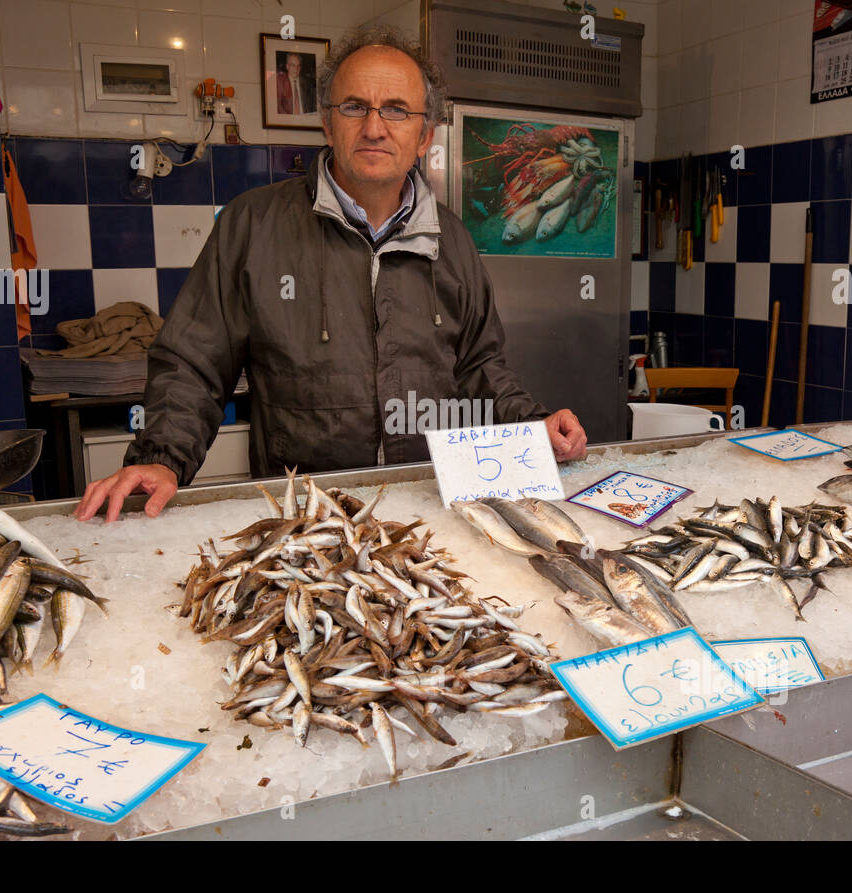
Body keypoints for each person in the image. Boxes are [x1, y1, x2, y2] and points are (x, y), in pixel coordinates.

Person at [76, 25, 587, 524]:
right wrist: (162, 457)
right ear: (327, 122)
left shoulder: (450, 238)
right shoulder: (252, 224)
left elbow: (480, 365)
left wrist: (528, 422)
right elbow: (194, 362)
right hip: (305, 518)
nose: (374, 127)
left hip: (431, 511)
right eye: (354, 107)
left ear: (424, 134)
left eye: (396, 110)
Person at [275, 51, 316, 115]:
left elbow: (313, 107)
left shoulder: (307, 83)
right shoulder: (280, 82)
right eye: (293, 65)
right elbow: (278, 106)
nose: (296, 69)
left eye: (298, 66)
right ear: (287, 66)